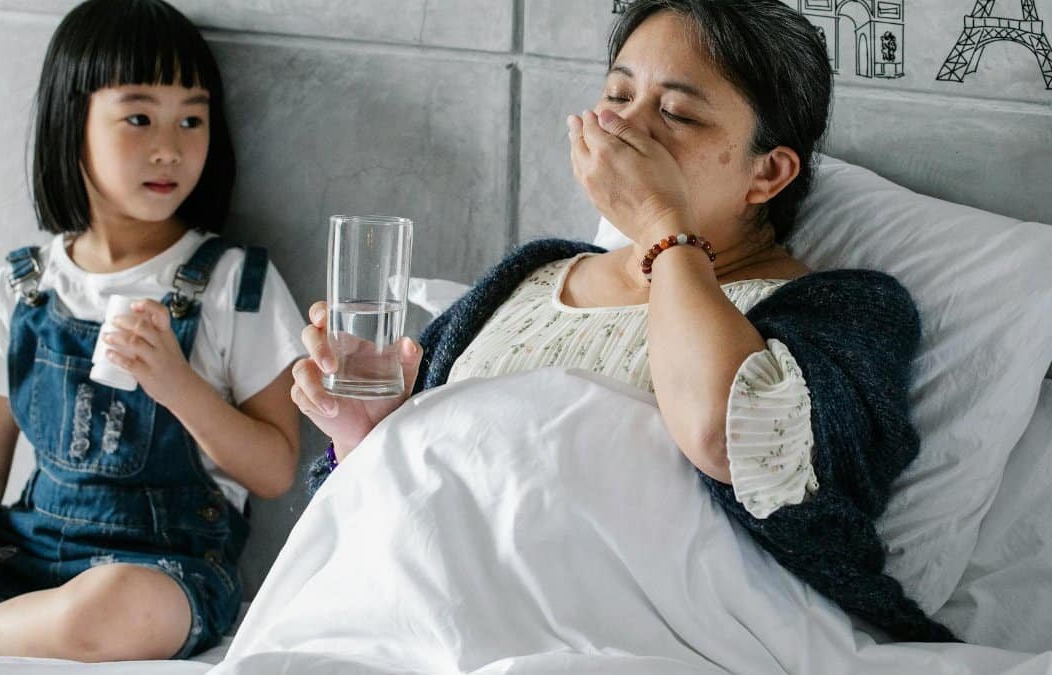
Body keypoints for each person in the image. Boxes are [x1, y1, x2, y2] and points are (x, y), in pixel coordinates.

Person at [292, 0, 957, 643]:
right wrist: (364, 440)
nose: (625, 127)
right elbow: (388, 517)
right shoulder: (530, 277)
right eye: (617, 95)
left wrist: (664, 226)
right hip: (412, 621)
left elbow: (728, 436)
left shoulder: (849, 313)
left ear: (769, 172)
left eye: (675, 113)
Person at [0, 0, 306, 662]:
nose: (171, 146)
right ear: (73, 124)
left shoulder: (233, 284)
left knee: (103, 607)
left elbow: (273, 468)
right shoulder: (23, 286)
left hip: (165, 569)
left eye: (192, 119)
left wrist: (176, 384)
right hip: (26, 545)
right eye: (139, 117)